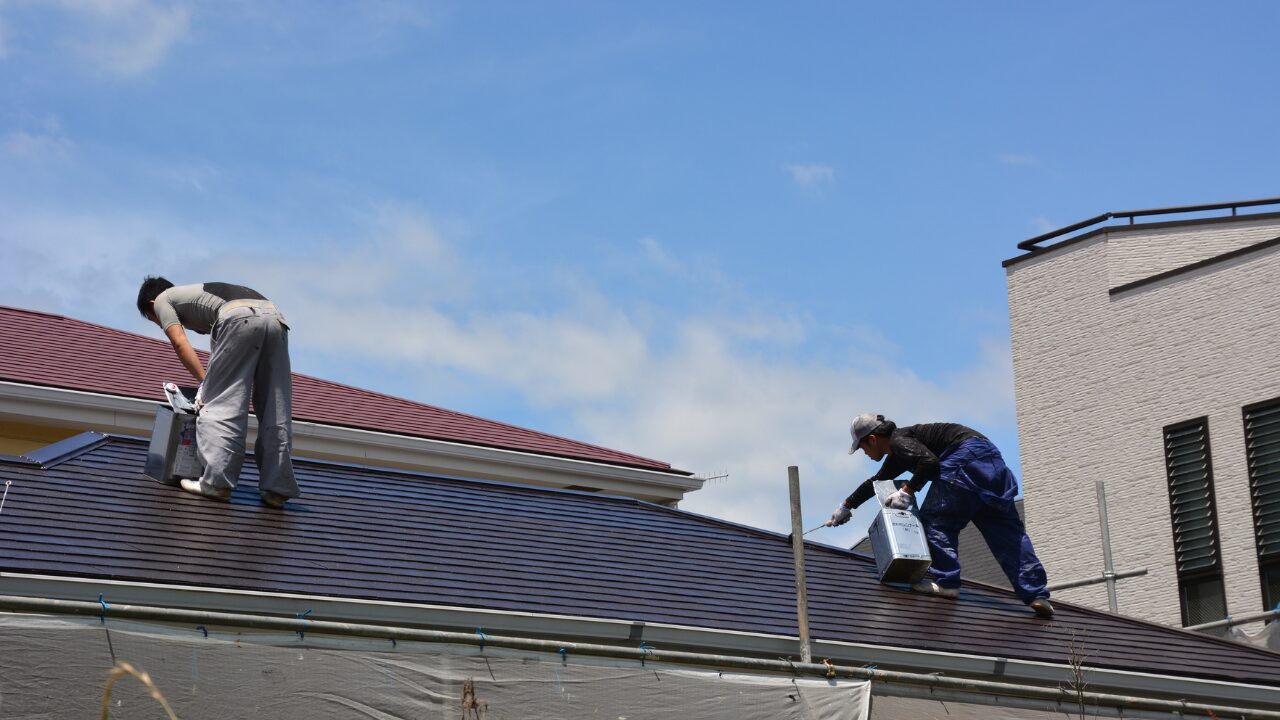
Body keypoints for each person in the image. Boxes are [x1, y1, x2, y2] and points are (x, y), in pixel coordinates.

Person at [829, 413, 1054, 618]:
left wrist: (906, 491)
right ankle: (1036, 595)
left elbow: (930, 463)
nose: (865, 454)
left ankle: (947, 583)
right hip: (991, 462)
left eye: (862, 448)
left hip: (964, 460)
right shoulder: (901, 448)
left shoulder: (899, 441)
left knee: (934, 521)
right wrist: (846, 506)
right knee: (1007, 534)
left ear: (873, 439)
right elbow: (877, 482)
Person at [136, 277, 299, 508]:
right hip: (275, 319)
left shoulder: (163, 300)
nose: (160, 323)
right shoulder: (195, 297)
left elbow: (180, 343)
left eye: (154, 320)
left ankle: (216, 483)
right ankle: (277, 488)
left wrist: (206, 382)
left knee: (222, 401)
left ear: (152, 304)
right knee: (275, 404)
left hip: (240, 318)